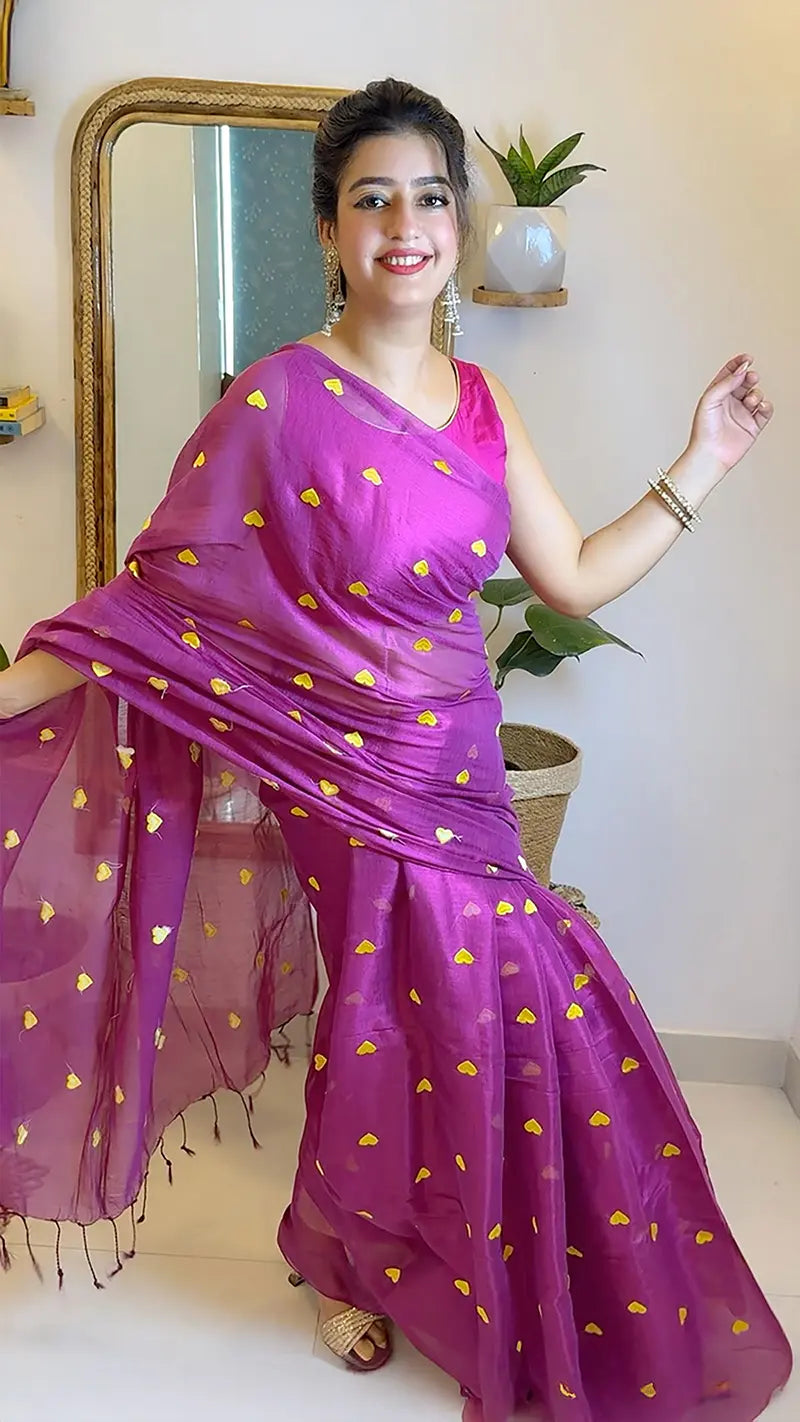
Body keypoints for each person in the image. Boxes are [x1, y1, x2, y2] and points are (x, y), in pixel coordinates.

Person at [0, 77, 792, 1422]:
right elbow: (153, 606)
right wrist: (14, 685)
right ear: (330, 231)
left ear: (458, 222)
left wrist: (704, 459)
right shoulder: (273, 403)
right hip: (347, 778)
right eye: (373, 198)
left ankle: (403, 1242)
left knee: (479, 1010)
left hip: (463, 774)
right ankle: (343, 1259)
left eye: (430, 196)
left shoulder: (482, 405)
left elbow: (576, 578)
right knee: (390, 1015)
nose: (405, 223)